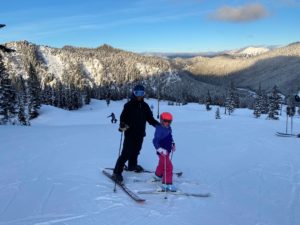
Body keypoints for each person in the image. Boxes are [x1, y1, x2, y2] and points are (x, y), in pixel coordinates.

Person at [113, 85, 160, 182]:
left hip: (140, 133)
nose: (139, 95)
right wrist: (122, 125)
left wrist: (159, 125)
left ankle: (132, 166)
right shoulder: (128, 105)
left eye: (141, 93)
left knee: (136, 151)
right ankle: (117, 172)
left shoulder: (145, 106)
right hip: (130, 133)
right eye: (137, 93)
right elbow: (123, 118)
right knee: (126, 153)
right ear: (133, 93)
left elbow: (150, 119)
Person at [153, 112, 176, 192]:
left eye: (169, 121)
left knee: (162, 164)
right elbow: (155, 141)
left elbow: (170, 137)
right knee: (169, 167)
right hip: (162, 152)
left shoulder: (169, 128)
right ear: (161, 120)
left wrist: (172, 143)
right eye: (166, 121)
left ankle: (158, 175)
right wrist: (160, 149)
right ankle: (167, 184)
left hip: (167, 151)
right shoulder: (159, 129)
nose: (167, 123)